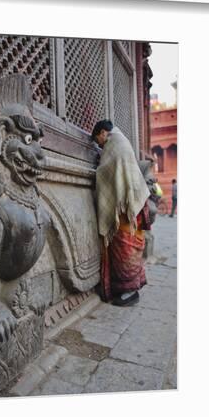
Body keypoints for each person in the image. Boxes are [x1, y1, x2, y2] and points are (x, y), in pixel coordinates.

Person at [92, 119, 151, 306]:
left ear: (102, 133)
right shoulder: (122, 140)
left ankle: (129, 291)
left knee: (125, 249)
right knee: (131, 248)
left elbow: (105, 172)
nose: (99, 145)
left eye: (97, 140)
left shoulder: (113, 143)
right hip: (134, 204)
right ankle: (132, 288)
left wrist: (98, 167)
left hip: (126, 209)